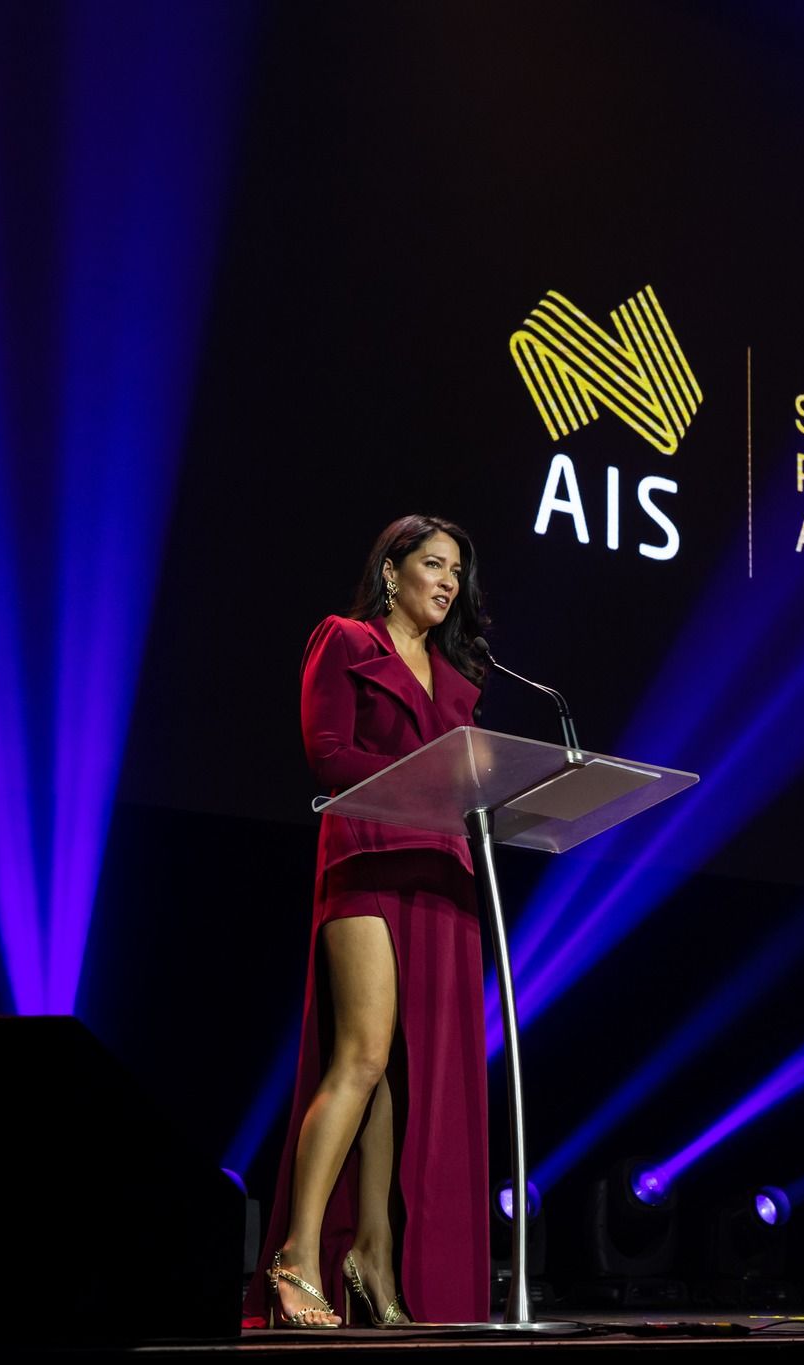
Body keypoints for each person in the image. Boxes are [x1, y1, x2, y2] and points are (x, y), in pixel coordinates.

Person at [248, 515, 492, 1328]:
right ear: (393, 570)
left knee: (402, 1072)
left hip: (440, 873)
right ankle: (298, 1252)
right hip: (364, 855)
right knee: (361, 1054)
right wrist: (429, 780)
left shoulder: (458, 680)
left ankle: (375, 1254)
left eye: (456, 571)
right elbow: (328, 752)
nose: (448, 582)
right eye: (434, 563)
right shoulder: (346, 640)